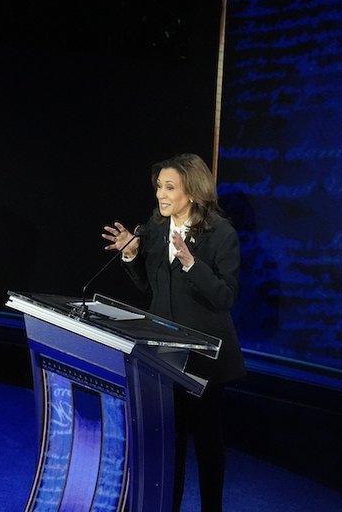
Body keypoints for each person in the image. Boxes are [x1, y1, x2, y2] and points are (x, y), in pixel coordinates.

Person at [101, 153, 245, 512]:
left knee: (207, 441)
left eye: (169, 187)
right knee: (170, 440)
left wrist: (192, 264)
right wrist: (132, 254)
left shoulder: (220, 233)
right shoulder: (153, 228)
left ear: (192, 192)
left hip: (204, 357)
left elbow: (226, 297)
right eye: (158, 188)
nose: (160, 196)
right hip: (163, 353)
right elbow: (152, 290)